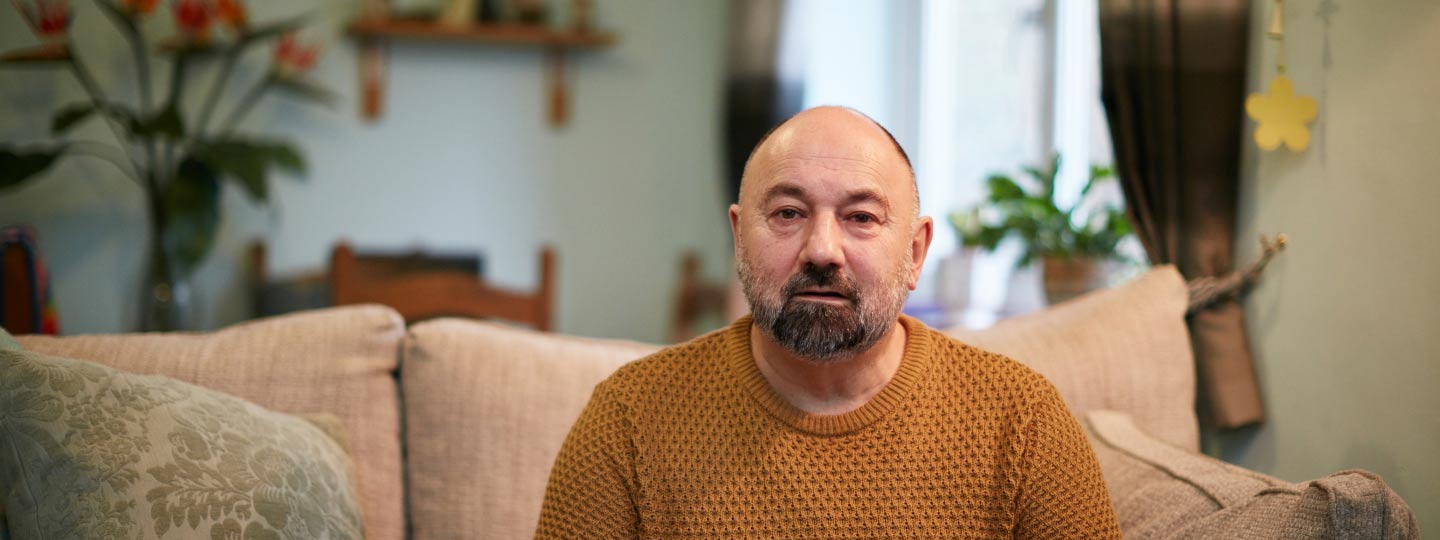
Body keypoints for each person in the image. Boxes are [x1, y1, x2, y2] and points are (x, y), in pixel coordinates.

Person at [535, 106, 1121, 539]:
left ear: (916, 253)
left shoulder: (1022, 422)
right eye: (788, 213)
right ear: (739, 238)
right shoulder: (628, 420)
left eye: (860, 217)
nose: (823, 249)